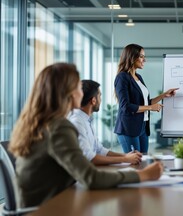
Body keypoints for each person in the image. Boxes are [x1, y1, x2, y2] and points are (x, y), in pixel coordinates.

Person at [8, 63, 163, 207]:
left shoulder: (43, 124)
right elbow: (91, 178)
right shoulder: (59, 128)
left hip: (46, 205)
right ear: (67, 93)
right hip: (48, 209)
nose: (81, 93)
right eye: (78, 87)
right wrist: (143, 175)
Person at [114, 43, 178, 153]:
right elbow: (126, 106)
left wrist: (163, 95)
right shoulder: (122, 78)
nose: (145, 60)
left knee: (143, 160)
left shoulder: (139, 77)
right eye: (141, 56)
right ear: (132, 57)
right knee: (135, 162)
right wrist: (150, 107)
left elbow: (145, 103)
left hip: (142, 127)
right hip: (128, 128)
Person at [68, 79, 142, 165]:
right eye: (100, 96)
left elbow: (99, 150)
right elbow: (90, 158)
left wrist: (125, 155)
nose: (101, 100)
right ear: (93, 100)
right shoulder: (77, 122)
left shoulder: (86, 119)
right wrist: (125, 159)